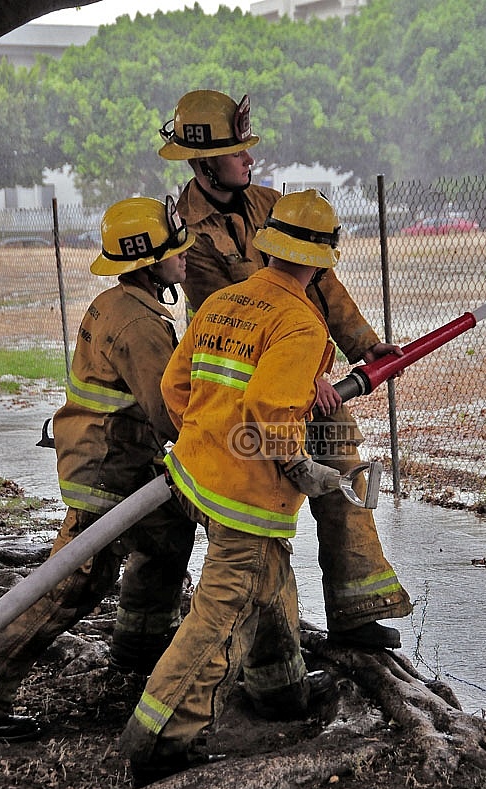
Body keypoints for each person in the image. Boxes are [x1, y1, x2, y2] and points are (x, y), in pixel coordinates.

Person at [157, 89, 412, 652]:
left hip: (309, 373)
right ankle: (272, 641)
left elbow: (322, 280)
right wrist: (300, 378)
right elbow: (238, 313)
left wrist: (364, 346)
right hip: (258, 395)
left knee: (345, 469)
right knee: (267, 506)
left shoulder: (271, 204)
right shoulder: (190, 234)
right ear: (204, 162)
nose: (250, 160)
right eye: (237, 153)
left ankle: (356, 608)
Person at [120, 190, 352, 785]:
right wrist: (300, 468)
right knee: (219, 613)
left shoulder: (224, 301)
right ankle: (161, 736)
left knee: (269, 579)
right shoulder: (299, 324)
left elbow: (177, 386)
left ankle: (279, 689)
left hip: (198, 476)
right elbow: (272, 407)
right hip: (246, 496)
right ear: (323, 259)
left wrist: (207, 436)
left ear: (269, 245)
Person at [0, 196, 199, 741]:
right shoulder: (139, 325)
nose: (185, 255)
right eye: (174, 249)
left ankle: (137, 657)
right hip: (109, 471)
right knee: (74, 581)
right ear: (147, 261)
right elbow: (171, 414)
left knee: (168, 540)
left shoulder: (122, 304)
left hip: (118, 464)